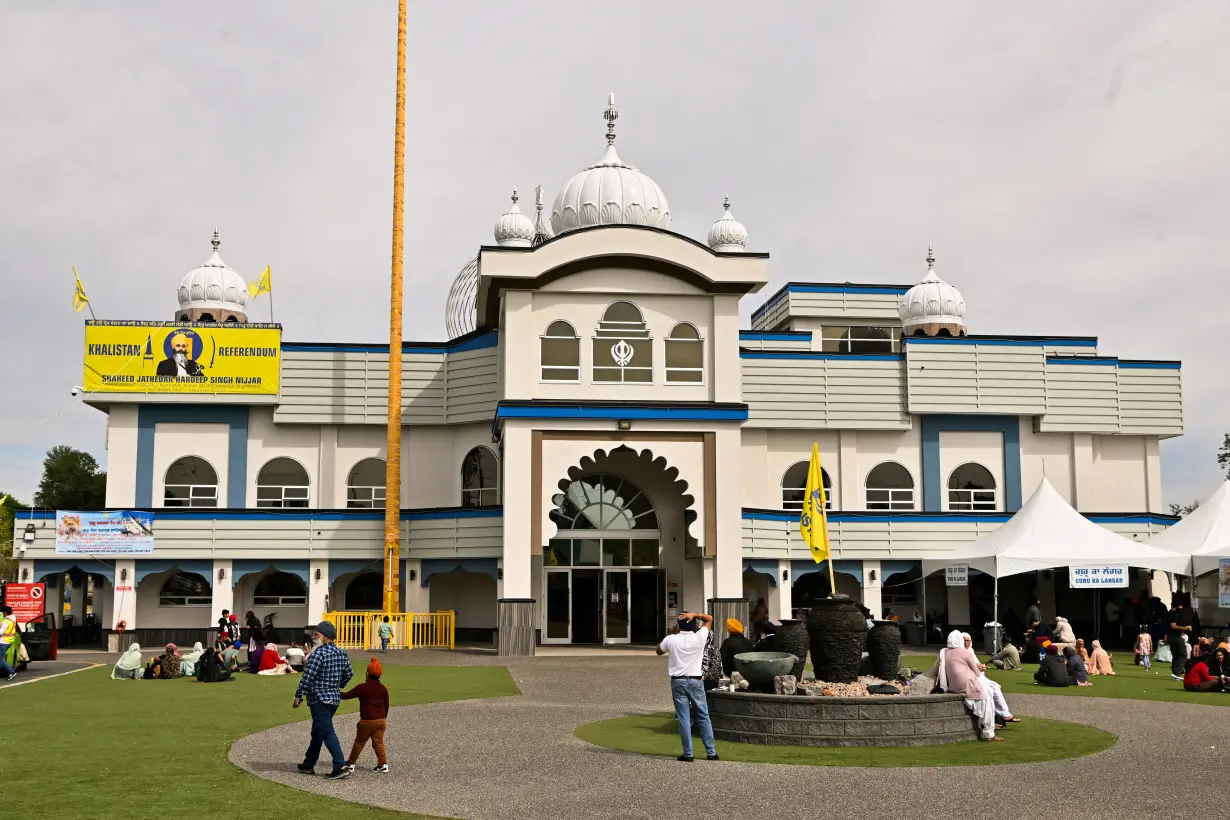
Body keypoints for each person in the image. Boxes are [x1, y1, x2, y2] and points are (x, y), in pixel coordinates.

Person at [294, 621, 355, 780]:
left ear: (326, 636)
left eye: (317, 634)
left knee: (326, 731)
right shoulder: (342, 653)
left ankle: (340, 765)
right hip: (334, 699)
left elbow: (308, 677)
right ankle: (309, 763)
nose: (314, 637)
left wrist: (299, 695)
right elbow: (349, 673)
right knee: (318, 731)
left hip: (319, 699)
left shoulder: (318, 654)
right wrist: (338, 684)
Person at [656, 611, 719, 761]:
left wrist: (671, 633)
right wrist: (696, 614)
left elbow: (658, 651)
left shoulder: (671, 639)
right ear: (693, 624)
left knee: (684, 717)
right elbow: (709, 619)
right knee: (703, 716)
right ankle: (711, 752)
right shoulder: (699, 637)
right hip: (696, 680)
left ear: (679, 625)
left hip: (678, 680)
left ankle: (688, 753)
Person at [927, 631, 1000, 741]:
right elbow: (977, 673)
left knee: (987, 695)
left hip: (952, 686)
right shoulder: (965, 652)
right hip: (969, 685)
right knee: (988, 703)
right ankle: (990, 734)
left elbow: (935, 669)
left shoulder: (943, 652)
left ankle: (988, 730)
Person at [341, 658, 391, 774]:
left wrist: (334, 692)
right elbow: (386, 705)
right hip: (381, 720)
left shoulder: (362, 687)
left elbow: (346, 695)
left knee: (359, 742)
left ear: (367, 673)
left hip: (367, 720)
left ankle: (350, 764)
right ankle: (382, 764)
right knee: (378, 742)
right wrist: (383, 718)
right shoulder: (383, 688)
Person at [960, 633, 1018, 725]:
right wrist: (978, 667)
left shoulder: (970, 651)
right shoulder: (959, 652)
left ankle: (1004, 714)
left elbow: (977, 664)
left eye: (968, 640)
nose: (966, 643)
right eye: (964, 640)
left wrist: (981, 667)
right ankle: (993, 720)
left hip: (978, 676)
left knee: (995, 687)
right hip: (969, 678)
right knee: (989, 691)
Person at [1169, 599, 1193, 681]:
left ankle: (1175, 672)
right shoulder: (1174, 614)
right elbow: (1173, 626)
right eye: (1181, 606)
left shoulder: (1169, 613)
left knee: (1175, 654)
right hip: (1176, 636)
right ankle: (1178, 672)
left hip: (1170, 637)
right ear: (1178, 605)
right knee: (1182, 654)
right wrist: (1185, 628)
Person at [0, 606, 19, 681]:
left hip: (3, 642)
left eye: (3, 612)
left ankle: (11, 672)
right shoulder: (12, 620)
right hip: (8, 641)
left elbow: (1, 632)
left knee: (0, 659)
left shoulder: (6, 622)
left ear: (5, 612)